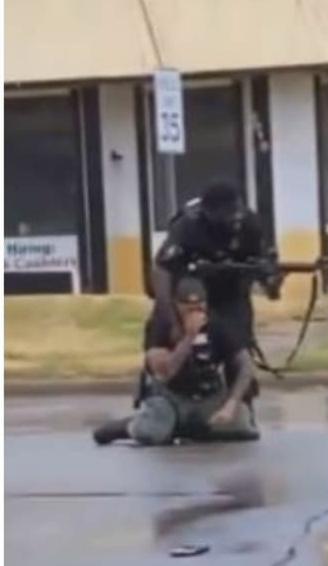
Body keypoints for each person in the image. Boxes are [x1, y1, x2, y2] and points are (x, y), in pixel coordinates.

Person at [137, 180, 280, 407]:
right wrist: (171, 318)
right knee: (162, 337)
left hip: (232, 292)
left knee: (239, 344)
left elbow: (266, 265)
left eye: (236, 213)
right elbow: (161, 270)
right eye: (226, 215)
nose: (233, 220)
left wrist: (271, 280)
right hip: (190, 292)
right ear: (208, 212)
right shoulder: (188, 225)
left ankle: (241, 406)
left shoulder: (250, 223)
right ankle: (151, 398)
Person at [95, 277, 259, 446]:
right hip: (170, 396)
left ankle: (193, 428)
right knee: (152, 434)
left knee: (244, 429)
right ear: (176, 305)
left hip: (206, 395)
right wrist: (188, 337)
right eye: (189, 308)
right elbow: (165, 372)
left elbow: (245, 364)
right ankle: (128, 426)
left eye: (200, 307)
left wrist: (232, 403)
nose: (196, 313)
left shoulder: (216, 323)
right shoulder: (162, 324)